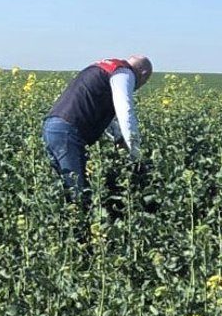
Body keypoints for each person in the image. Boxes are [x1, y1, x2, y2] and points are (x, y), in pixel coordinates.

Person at [42, 55, 153, 206]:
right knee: (78, 194)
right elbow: (125, 111)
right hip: (69, 131)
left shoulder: (104, 68)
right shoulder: (124, 73)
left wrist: (119, 138)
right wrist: (135, 155)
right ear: (144, 74)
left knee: (64, 190)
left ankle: (65, 226)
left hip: (52, 126)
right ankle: (81, 228)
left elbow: (95, 106)